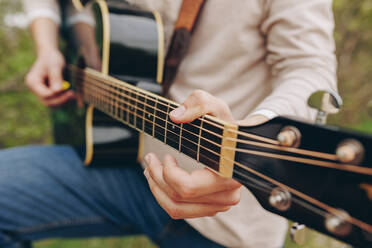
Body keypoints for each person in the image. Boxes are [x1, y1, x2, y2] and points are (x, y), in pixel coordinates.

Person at [0, 0, 337, 247]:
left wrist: (252, 138)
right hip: (121, 157)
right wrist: (48, 47)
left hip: (223, 213)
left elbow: (310, 70)